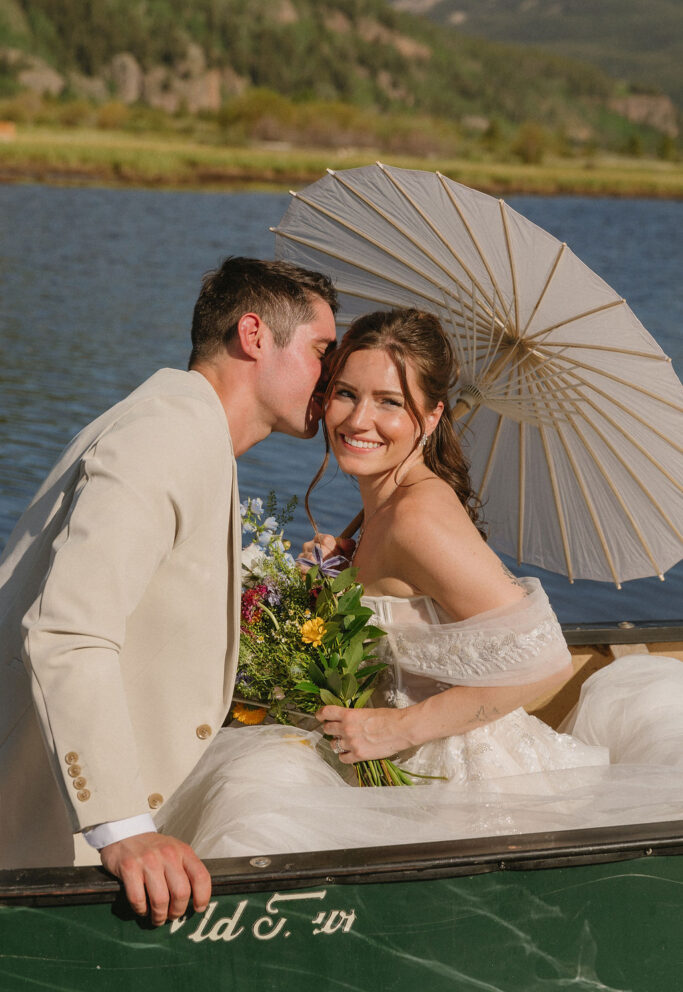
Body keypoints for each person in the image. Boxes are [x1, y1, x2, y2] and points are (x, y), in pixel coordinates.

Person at [159, 307, 683, 859]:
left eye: (389, 402)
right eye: (346, 393)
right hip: (392, 762)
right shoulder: (387, 505)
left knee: (250, 804)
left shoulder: (417, 518)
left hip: (457, 791)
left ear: (430, 418)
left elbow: (546, 658)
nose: (359, 420)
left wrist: (396, 730)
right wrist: (348, 567)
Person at [0, 257, 338, 923]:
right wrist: (123, 830)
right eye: (322, 351)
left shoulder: (185, 427)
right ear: (253, 334)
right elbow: (67, 631)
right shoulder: (168, 433)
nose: (331, 378)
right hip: (33, 828)